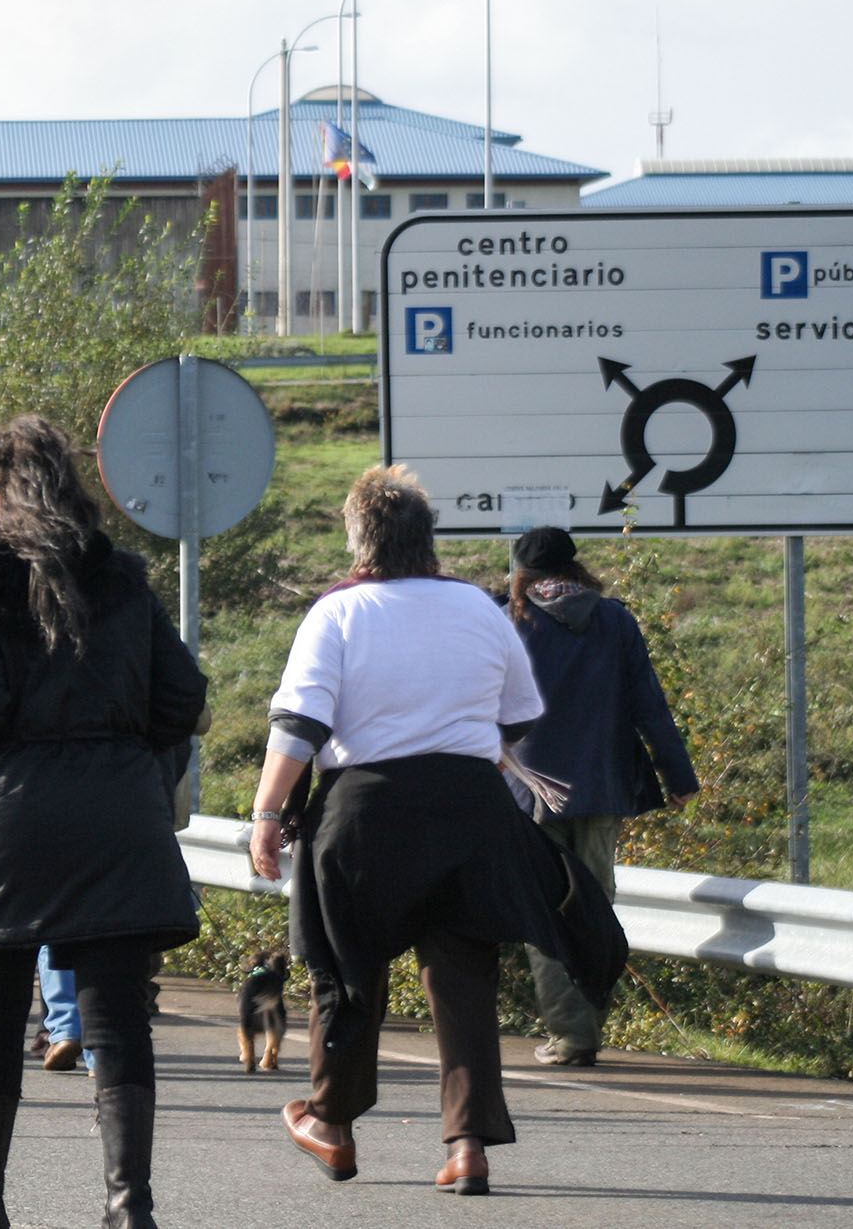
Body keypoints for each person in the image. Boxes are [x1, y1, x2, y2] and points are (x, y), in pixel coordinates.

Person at [250, 466, 627, 1198]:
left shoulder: (337, 614)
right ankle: (468, 1144)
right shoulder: (478, 609)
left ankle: (331, 1122)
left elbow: (299, 726)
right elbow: (518, 713)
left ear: (359, 541)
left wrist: (269, 816)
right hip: (470, 807)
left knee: (349, 971)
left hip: (366, 810)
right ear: (429, 540)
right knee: (463, 978)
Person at [0, 415, 207, 1229]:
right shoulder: (120, 575)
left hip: (14, 823)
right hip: (119, 816)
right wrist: (125, 754)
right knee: (118, 1019)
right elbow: (183, 697)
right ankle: (129, 1208)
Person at [503, 526, 699, 1067]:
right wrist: (678, 777)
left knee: (546, 911)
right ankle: (586, 1026)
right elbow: (649, 705)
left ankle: (570, 1034)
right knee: (595, 906)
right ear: (576, 569)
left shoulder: (508, 622)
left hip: (528, 792)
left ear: (522, 573)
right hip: (603, 787)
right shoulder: (614, 619)